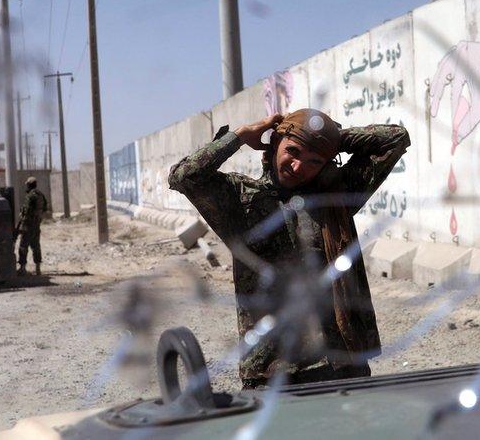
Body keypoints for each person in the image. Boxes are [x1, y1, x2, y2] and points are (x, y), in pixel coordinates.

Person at [169, 108, 410, 389]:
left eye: (313, 161)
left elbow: (395, 139)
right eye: (293, 151)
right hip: (273, 371)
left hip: (342, 363)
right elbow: (184, 177)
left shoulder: (333, 197)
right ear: (275, 142)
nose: (297, 167)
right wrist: (243, 134)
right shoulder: (239, 198)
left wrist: (327, 137)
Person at [17, 176, 48, 276]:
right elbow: (45, 208)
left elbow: (26, 211)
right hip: (36, 225)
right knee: (36, 246)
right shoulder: (41, 195)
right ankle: (38, 268)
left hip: (28, 225)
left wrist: (22, 218)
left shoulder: (30, 196)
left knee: (23, 246)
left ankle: (22, 268)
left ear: (29, 185)